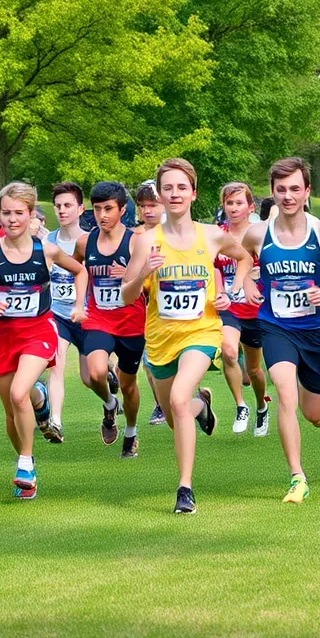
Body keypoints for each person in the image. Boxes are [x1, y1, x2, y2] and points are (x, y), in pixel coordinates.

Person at [121, 158, 253, 514]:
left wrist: (233, 291)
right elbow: (126, 295)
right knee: (174, 409)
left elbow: (243, 259)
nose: (175, 194)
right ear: (159, 196)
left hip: (202, 331)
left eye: (182, 187)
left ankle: (185, 489)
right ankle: (203, 406)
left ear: (193, 193)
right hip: (161, 340)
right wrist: (142, 273)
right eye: (168, 188)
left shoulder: (211, 235)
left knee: (178, 400)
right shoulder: (145, 241)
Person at [238, 159, 320, 502]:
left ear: (307, 192)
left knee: (313, 411)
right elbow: (243, 259)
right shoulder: (259, 233)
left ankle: (318, 405)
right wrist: (246, 281)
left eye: (295, 189)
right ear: (272, 192)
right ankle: (297, 477)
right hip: (276, 326)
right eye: (281, 189)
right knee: (285, 394)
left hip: (316, 330)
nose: (288, 196)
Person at [0, 182, 85, 499]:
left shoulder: (46, 250)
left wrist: (78, 303)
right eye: (6, 213)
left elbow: (80, 271)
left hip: (39, 331)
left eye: (19, 213)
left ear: (32, 215)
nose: (12, 219)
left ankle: (23, 463)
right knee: (11, 411)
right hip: (4, 335)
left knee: (19, 394)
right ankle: (29, 462)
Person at [78, 181, 148, 457]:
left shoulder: (136, 241)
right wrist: (77, 301)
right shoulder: (85, 242)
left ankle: (131, 431)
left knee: (129, 386)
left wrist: (130, 275)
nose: (103, 215)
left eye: (108, 208)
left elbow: (145, 281)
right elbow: (77, 270)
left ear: (121, 210)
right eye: (97, 209)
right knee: (95, 372)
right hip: (98, 318)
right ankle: (109, 404)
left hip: (131, 322)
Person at [215, 183, 269, 436]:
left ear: (250, 207)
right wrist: (219, 293)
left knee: (255, 370)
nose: (234, 208)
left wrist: (254, 278)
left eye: (239, 203)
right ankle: (240, 405)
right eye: (229, 203)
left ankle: (260, 407)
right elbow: (214, 266)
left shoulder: (261, 234)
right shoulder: (218, 234)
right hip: (230, 308)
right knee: (227, 350)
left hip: (256, 309)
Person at [44, 181, 89, 444]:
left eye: (68, 205)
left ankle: (109, 400)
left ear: (80, 209)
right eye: (58, 206)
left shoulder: (89, 241)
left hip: (86, 316)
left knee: (89, 377)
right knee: (56, 364)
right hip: (57, 314)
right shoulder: (46, 241)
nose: (62, 210)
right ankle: (56, 421)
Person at [134, 182, 169, 426]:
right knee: (149, 361)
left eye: (152, 205)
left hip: (174, 305)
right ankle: (161, 404)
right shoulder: (134, 236)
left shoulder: (173, 233)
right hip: (145, 307)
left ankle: (191, 396)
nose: (147, 211)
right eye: (142, 206)